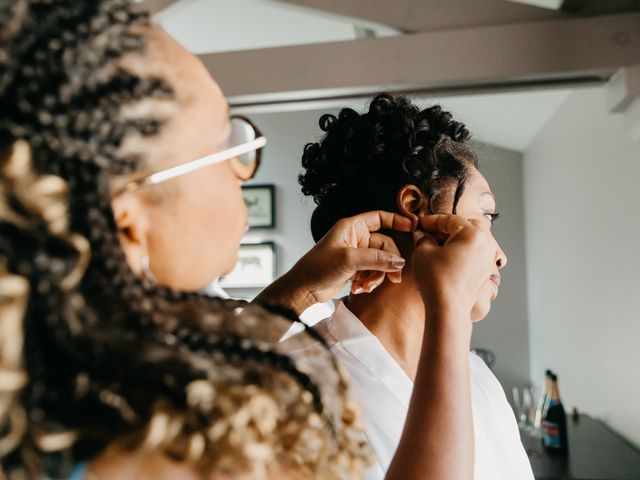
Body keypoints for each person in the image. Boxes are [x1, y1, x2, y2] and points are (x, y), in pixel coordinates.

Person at [1, 1, 489, 478]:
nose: (244, 167)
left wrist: (298, 290)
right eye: (223, 142)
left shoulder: (70, 380)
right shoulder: (165, 454)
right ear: (127, 220)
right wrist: (447, 307)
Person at [288, 94, 535, 479]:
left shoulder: (478, 378)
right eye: (485, 215)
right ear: (415, 208)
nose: (500, 256)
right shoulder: (294, 386)